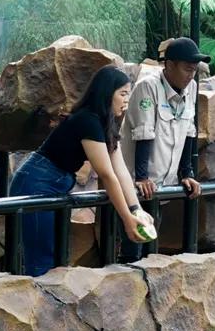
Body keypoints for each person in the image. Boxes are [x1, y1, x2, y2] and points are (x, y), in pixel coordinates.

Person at [9, 64, 154, 276]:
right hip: (36, 182)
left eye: (128, 95)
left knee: (56, 255)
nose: (126, 100)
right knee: (42, 259)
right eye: (123, 94)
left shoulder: (105, 124)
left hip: (52, 183)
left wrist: (136, 209)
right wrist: (127, 218)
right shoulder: (88, 120)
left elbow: (121, 170)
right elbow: (107, 174)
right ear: (106, 94)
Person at [118, 37, 210, 263]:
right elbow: (144, 133)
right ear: (168, 65)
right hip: (137, 188)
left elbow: (189, 131)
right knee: (132, 251)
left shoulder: (192, 88)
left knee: (150, 247)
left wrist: (187, 174)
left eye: (194, 70)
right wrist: (142, 177)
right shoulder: (148, 87)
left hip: (162, 186)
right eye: (187, 69)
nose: (191, 75)